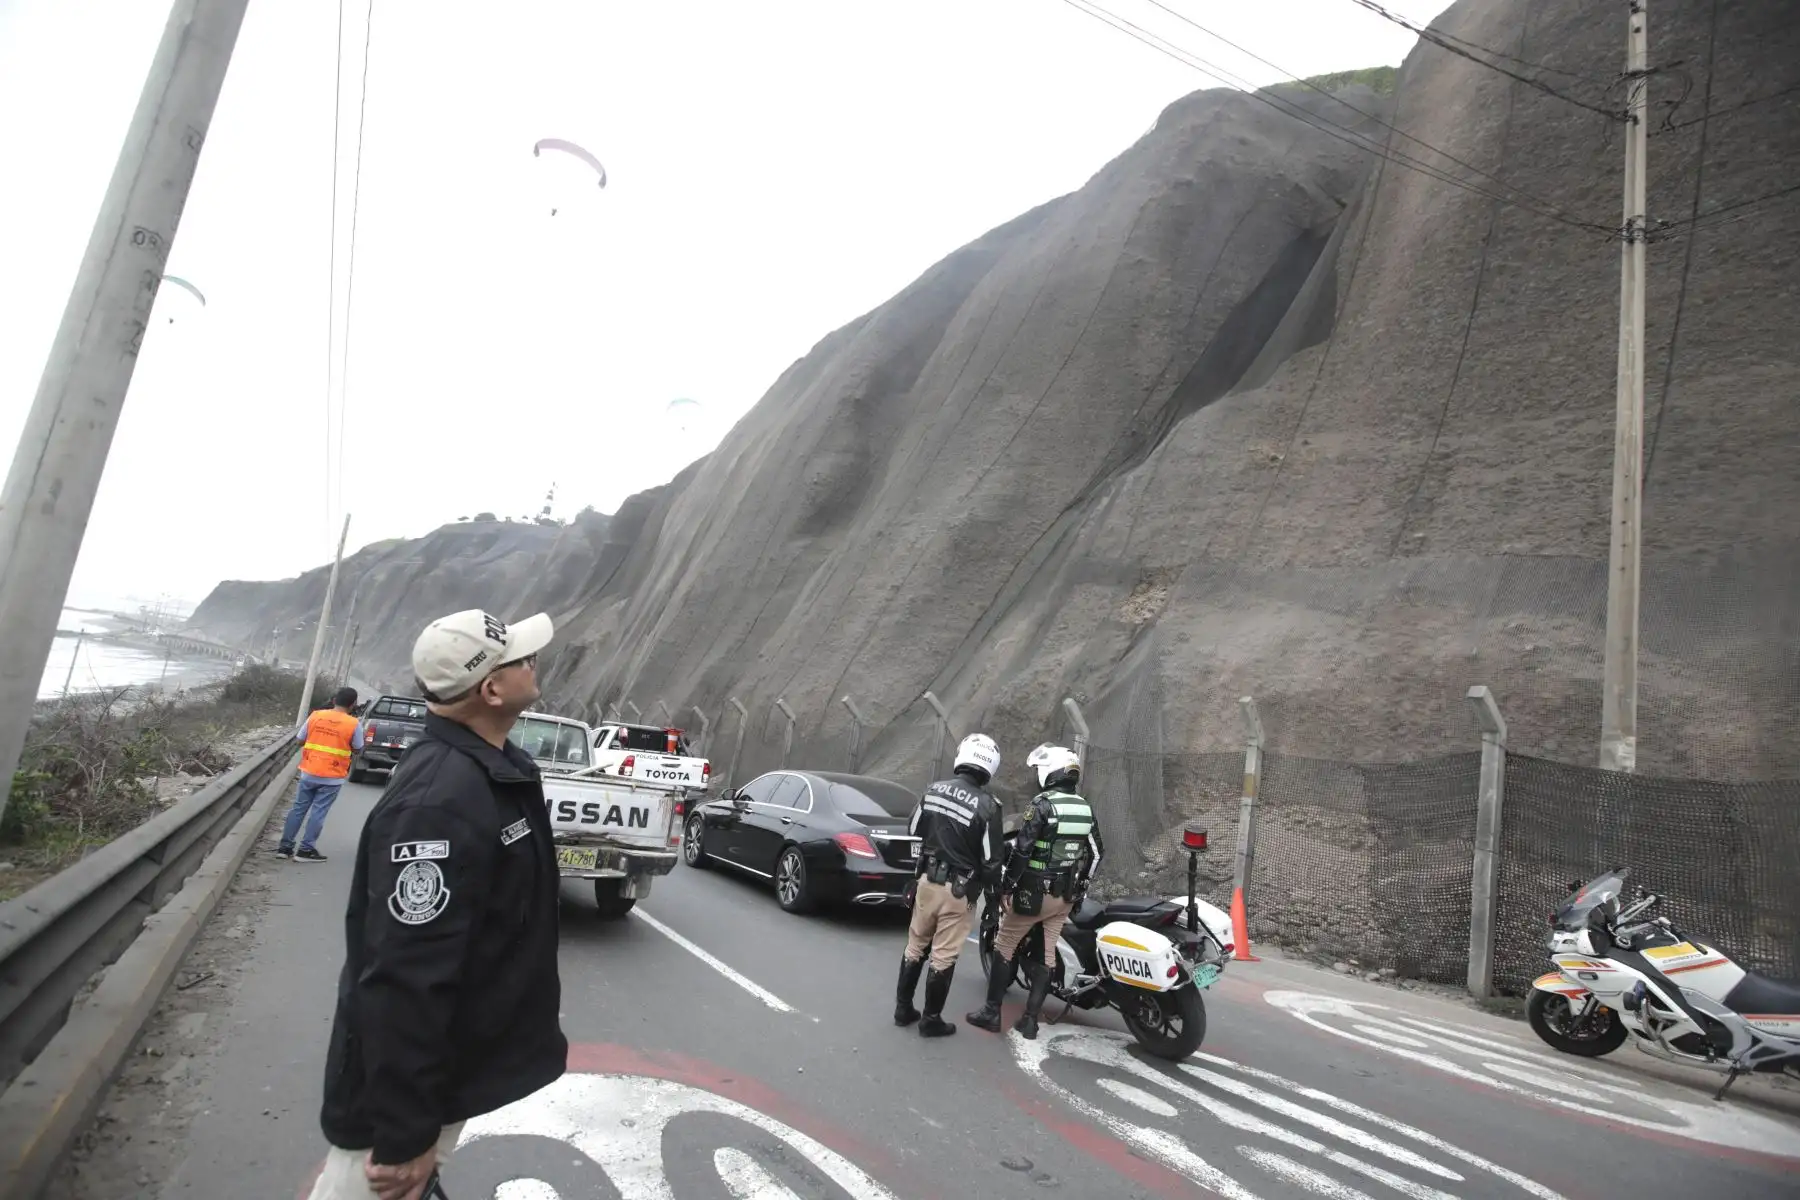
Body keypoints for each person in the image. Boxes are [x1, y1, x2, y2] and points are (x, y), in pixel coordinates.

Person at [309, 609, 566, 1200]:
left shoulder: (492, 772)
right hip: (396, 1106)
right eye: (522, 659)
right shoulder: (439, 805)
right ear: (491, 688)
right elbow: (404, 975)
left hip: (451, 1069)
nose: (534, 664)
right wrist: (403, 1135)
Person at [967, 743, 1103, 1039]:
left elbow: (1023, 851)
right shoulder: (1085, 806)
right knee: (1046, 955)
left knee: (1005, 945)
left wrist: (1007, 886)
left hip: (1033, 893)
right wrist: (1081, 887)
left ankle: (991, 1012)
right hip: (1063, 895)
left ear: (1049, 774)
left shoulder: (1042, 804)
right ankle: (1030, 1020)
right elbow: (1096, 854)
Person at [895, 733, 1005, 1038]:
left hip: (927, 882)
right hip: (959, 892)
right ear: (989, 767)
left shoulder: (934, 789)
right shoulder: (988, 806)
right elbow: (992, 863)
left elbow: (914, 827)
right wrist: (993, 898)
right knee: (943, 956)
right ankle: (931, 1020)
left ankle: (903, 1008)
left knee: (915, 945)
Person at [277, 686, 364, 862]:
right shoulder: (353, 724)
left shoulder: (316, 716)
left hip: (309, 772)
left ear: (334, 700)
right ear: (353, 704)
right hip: (332, 777)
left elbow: (300, 740)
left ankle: (284, 848)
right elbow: (358, 749)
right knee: (319, 811)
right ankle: (305, 851)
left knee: (298, 809)